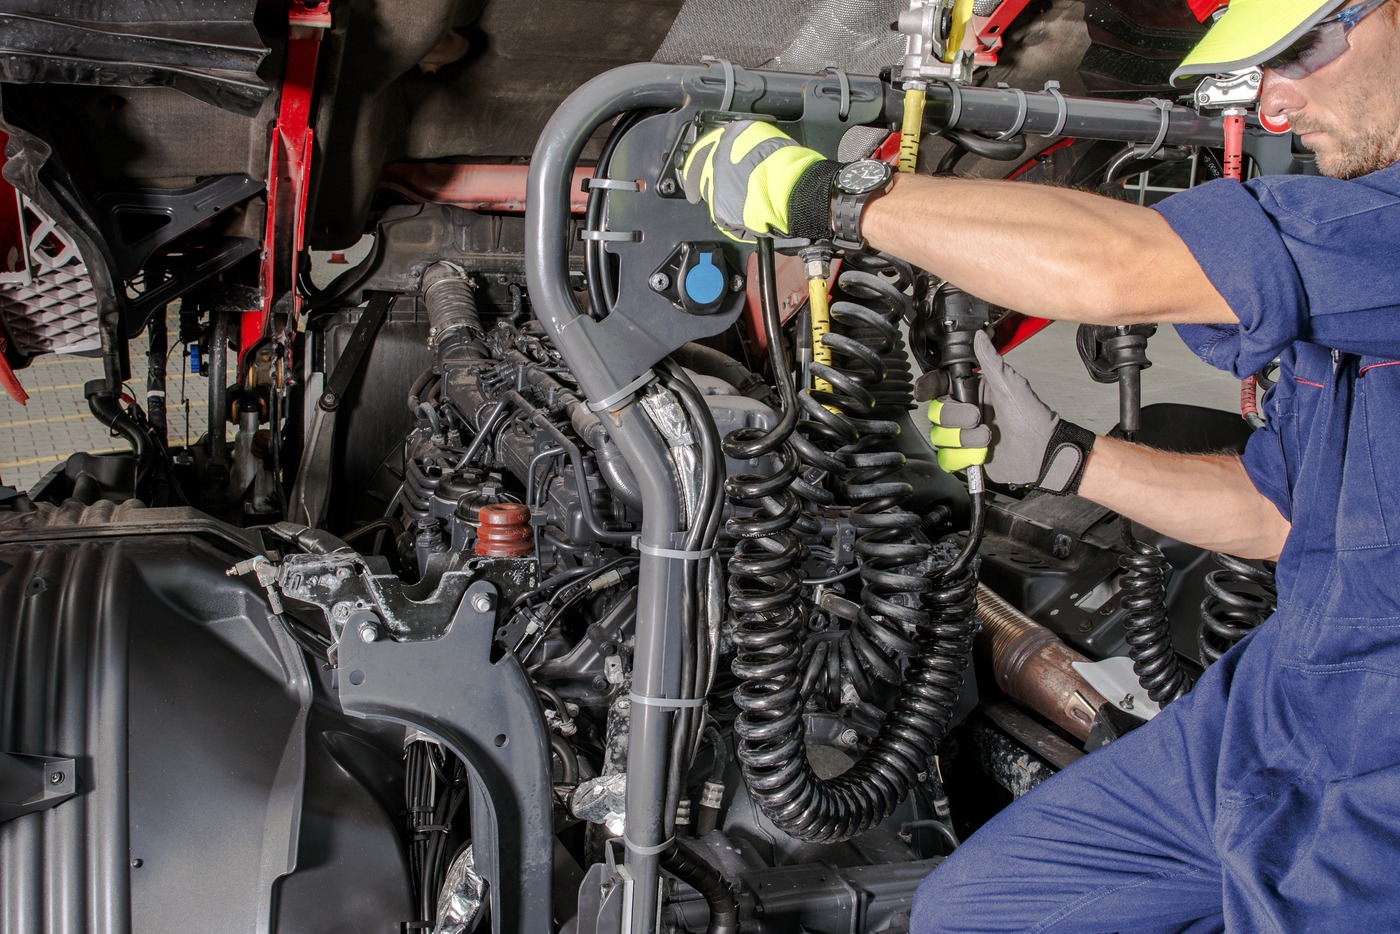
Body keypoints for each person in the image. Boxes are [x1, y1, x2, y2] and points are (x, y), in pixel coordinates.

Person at [682, 0, 1400, 928]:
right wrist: (1064, 458)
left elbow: (1121, 268)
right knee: (974, 914)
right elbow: (1280, 511)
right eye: (1257, 67)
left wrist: (838, 197)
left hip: (1379, 784)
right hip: (1277, 713)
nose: (1273, 98)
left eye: (1301, 49)